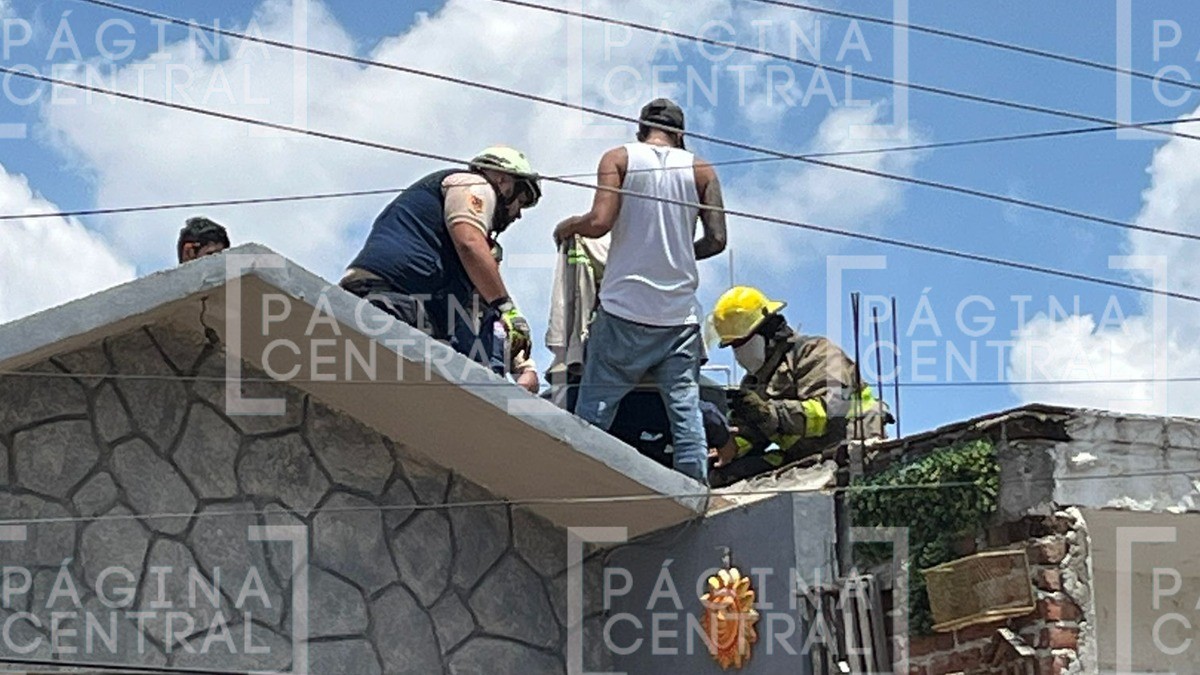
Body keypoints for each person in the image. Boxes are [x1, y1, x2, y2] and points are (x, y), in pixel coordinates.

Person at [553, 98, 727, 483]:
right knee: (686, 416)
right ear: (680, 135)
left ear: (641, 129)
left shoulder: (618, 158)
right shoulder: (702, 170)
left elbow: (599, 223)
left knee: (594, 411)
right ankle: (694, 493)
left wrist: (568, 226)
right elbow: (716, 240)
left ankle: (580, 484)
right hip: (677, 320)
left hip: (622, 313)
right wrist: (678, 253)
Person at [341, 147, 541, 372]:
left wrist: (521, 364)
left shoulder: (455, 238)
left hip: (396, 300)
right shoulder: (474, 185)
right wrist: (506, 307)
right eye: (521, 200)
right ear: (503, 180)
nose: (518, 213)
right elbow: (469, 242)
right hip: (393, 298)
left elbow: (480, 304)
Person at [707, 286, 890, 487]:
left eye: (741, 343)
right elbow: (750, 435)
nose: (738, 353)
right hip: (809, 463)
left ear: (767, 332)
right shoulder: (753, 385)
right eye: (732, 346)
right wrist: (728, 446)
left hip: (853, 453)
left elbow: (829, 413)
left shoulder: (816, 353)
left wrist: (770, 414)